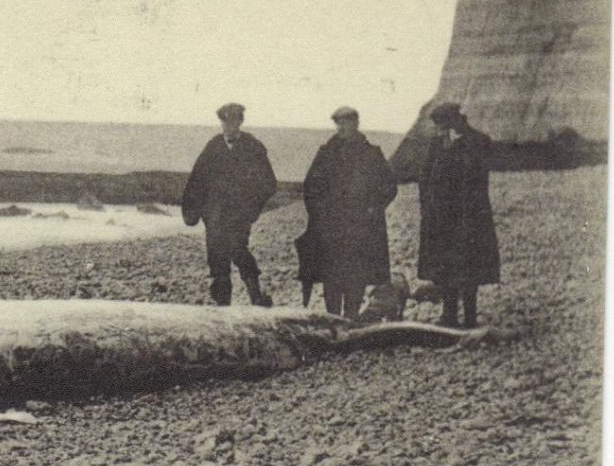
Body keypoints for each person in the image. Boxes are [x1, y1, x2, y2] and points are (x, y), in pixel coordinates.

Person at [299, 106, 398, 320]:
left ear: (356, 123)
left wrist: (373, 208)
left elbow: (389, 185)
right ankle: (333, 317)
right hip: (331, 227)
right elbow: (310, 187)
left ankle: (351, 316)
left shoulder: (371, 153)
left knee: (356, 274)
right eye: (338, 123)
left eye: (346, 122)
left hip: (360, 226)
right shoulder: (325, 153)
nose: (341, 127)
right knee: (332, 274)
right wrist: (318, 214)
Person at [180, 102, 278, 307]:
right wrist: (193, 211)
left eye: (232, 121)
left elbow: (268, 183)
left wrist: (252, 209)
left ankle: (256, 296)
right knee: (216, 254)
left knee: (237, 249)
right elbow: (197, 179)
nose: (227, 126)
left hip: (239, 215)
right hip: (214, 214)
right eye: (224, 121)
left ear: (240, 121)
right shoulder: (214, 146)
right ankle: (222, 304)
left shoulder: (253, 147)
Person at [418, 102, 500, 329]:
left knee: (469, 267)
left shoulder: (478, 141)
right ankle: (449, 315)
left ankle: (471, 317)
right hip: (440, 216)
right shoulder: (438, 142)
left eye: (443, 124)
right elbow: (425, 175)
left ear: (456, 119)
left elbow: (475, 177)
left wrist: (455, 148)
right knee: (444, 267)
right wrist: (427, 206)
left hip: (468, 216)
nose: (440, 130)